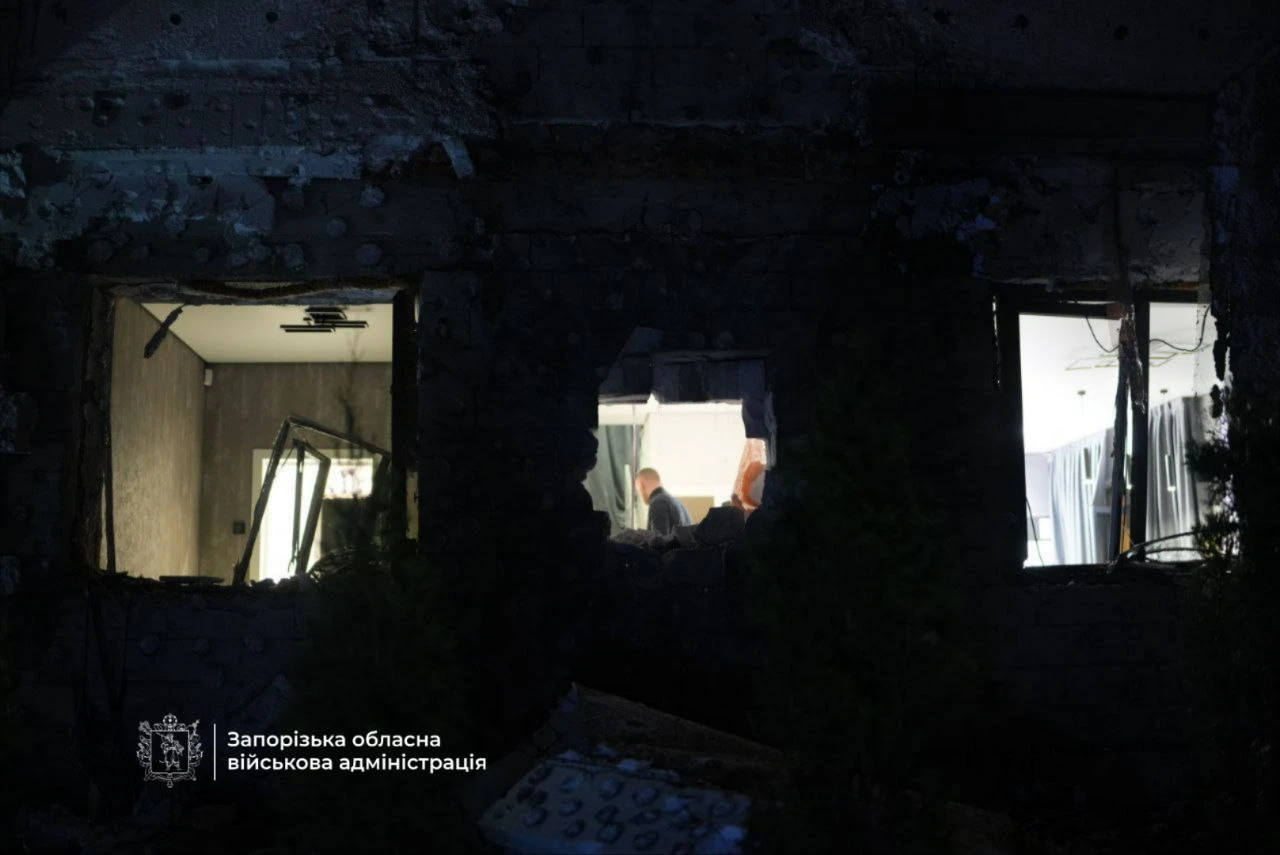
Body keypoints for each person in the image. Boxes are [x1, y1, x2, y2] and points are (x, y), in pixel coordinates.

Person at [635, 467, 691, 536]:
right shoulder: (678, 502)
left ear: (641, 485)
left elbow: (659, 542)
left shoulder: (658, 503)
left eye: (638, 490)